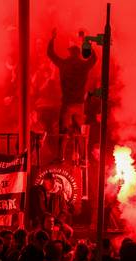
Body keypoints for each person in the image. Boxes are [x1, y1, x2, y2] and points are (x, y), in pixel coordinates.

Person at [47, 28, 97, 161]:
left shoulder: (64, 64)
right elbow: (94, 58)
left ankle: (60, 157)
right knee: (80, 133)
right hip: (79, 104)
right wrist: (85, 41)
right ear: (79, 53)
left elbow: (50, 54)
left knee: (63, 132)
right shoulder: (83, 65)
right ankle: (83, 158)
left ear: (69, 53)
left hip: (67, 104)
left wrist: (53, 38)